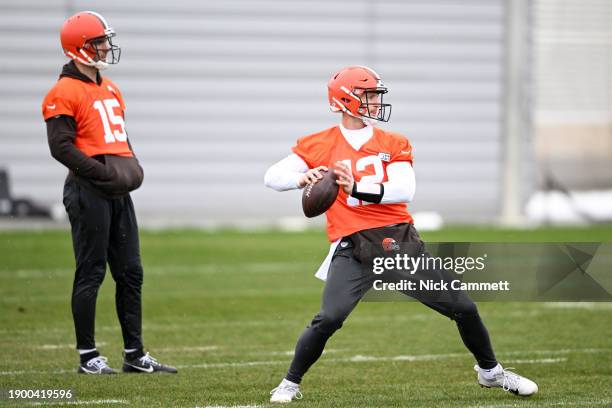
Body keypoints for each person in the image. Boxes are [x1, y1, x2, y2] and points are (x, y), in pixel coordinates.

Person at [264, 66, 538, 402]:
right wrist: (302, 178)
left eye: (377, 95)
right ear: (345, 99)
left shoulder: (393, 142)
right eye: (369, 95)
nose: (376, 102)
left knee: (464, 307)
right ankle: (290, 383)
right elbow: (272, 176)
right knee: (330, 317)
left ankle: (491, 373)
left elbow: (404, 188)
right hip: (354, 246)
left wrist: (358, 186)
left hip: (398, 242)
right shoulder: (318, 144)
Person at [42, 11, 176, 375]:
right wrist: (101, 173)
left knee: (131, 272)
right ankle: (88, 356)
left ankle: (135, 354)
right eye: (98, 41)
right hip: (88, 190)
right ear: (78, 47)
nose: (105, 46)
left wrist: (131, 166)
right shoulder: (63, 91)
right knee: (91, 273)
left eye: (104, 39)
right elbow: (61, 147)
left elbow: (120, 137)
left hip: (116, 191)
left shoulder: (111, 87)